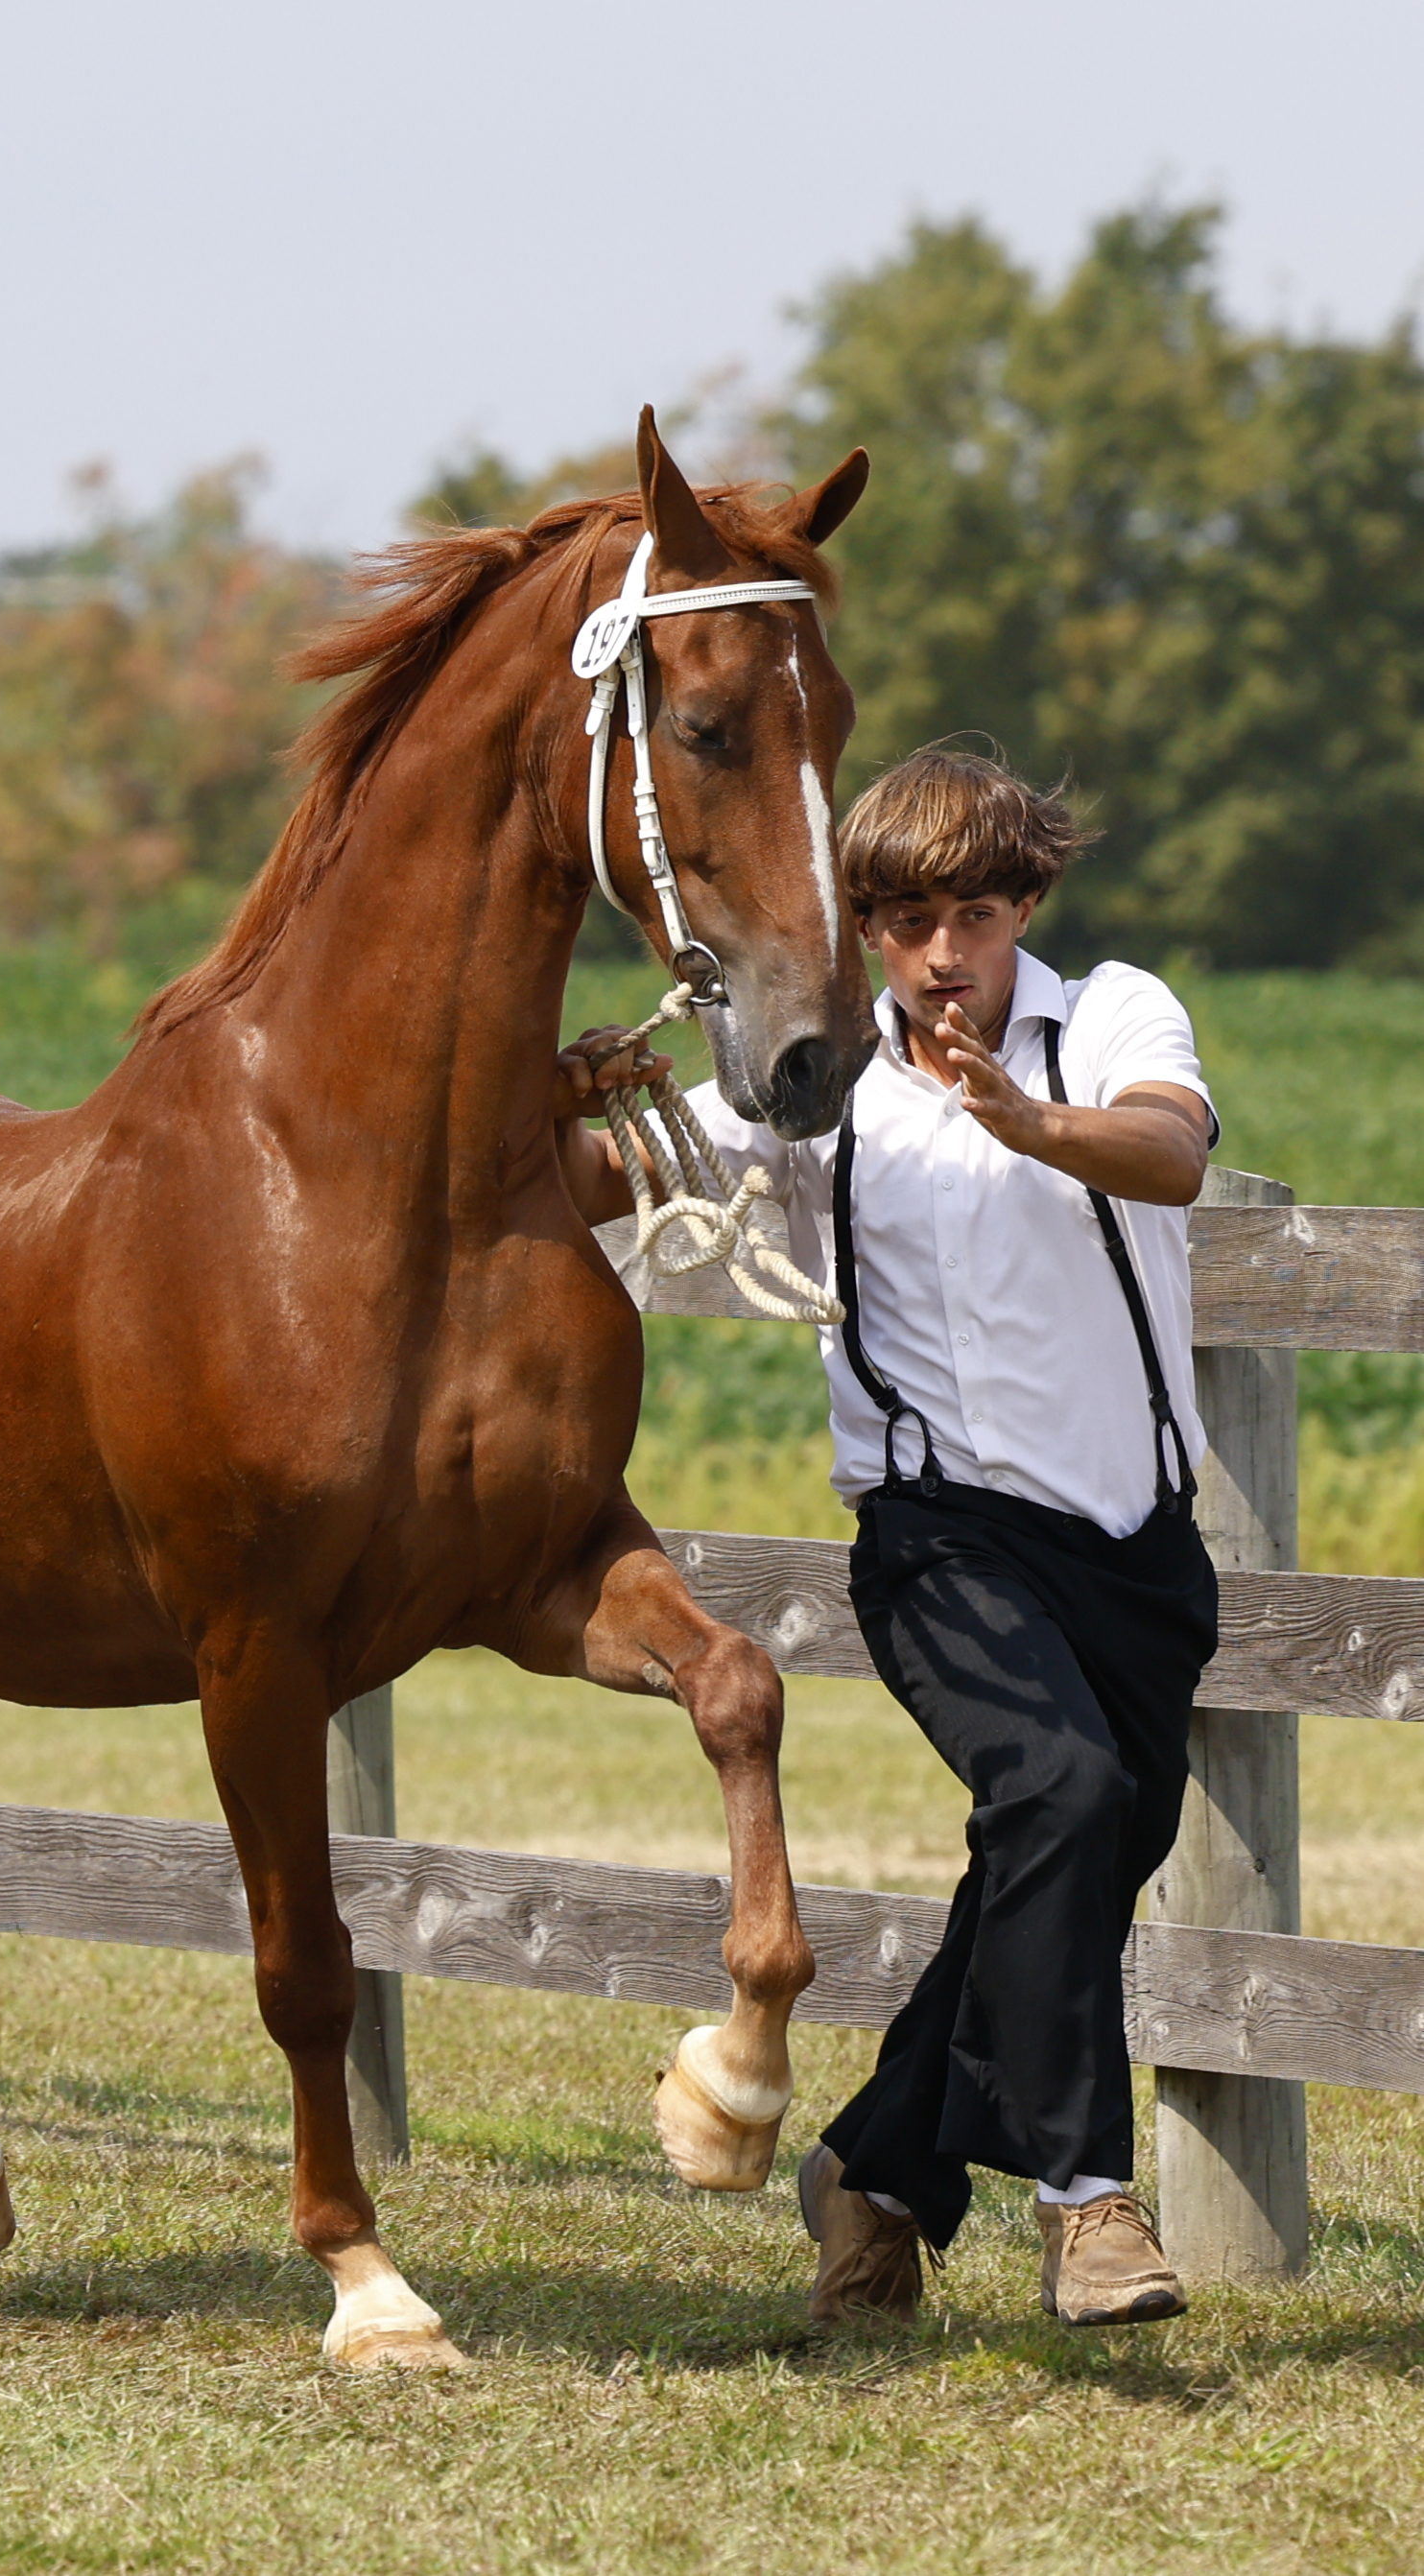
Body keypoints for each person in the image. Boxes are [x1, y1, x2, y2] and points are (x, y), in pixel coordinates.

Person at [552, 743, 1221, 2329]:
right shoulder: (816, 1082)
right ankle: (1087, 2203)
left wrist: (1027, 1122)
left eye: (973, 915)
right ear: (862, 927)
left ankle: (877, 2172)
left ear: (1027, 905)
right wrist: (560, 1102)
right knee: (1061, 1794)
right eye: (906, 921)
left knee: (1063, 1863)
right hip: (937, 1543)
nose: (941, 955)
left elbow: (1173, 1152)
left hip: (1138, 1546)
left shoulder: (1108, 1016)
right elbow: (594, 1182)